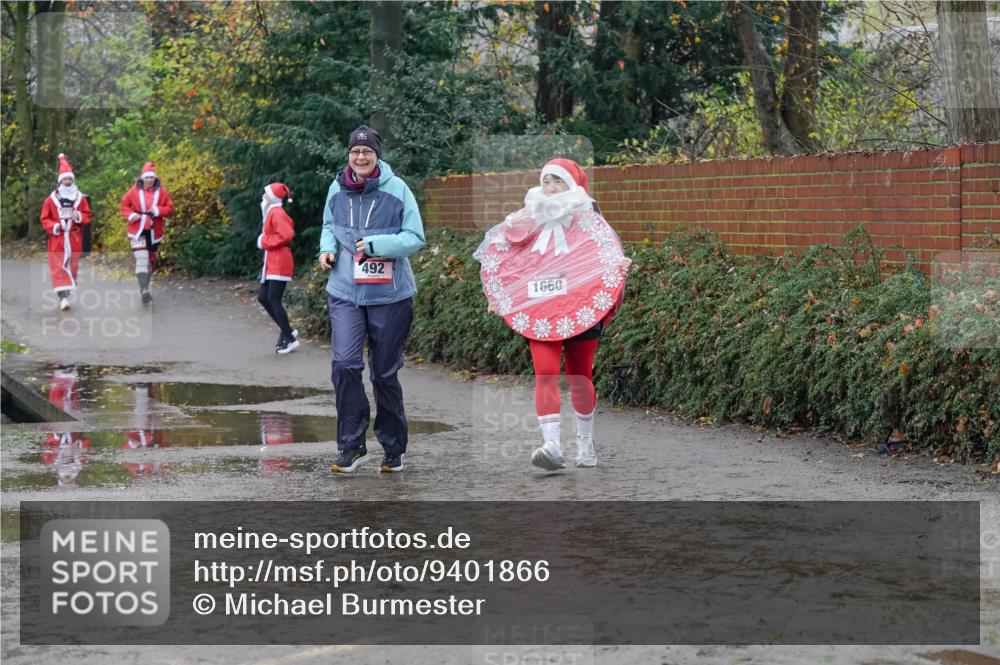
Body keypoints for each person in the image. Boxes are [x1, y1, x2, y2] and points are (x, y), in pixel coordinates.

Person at [475, 159, 631, 471]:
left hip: (582, 309)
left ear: (572, 185)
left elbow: (604, 259)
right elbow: (508, 262)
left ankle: (585, 442)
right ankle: (552, 445)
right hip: (540, 312)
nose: (551, 188)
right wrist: (501, 296)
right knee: (544, 373)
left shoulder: (590, 222)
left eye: (557, 182)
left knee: (579, 376)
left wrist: (619, 267)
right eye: (547, 182)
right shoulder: (524, 221)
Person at [319, 125, 425, 474]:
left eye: (367, 152)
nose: (360, 157)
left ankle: (393, 448)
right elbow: (328, 226)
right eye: (355, 152)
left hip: (390, 295)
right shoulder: (337, 187)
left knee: (384, 374)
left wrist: (379, 245)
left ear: (377, 155)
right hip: (345, 291)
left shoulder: (398, 190)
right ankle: (352, 447)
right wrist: (327, 250)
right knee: (345, 366)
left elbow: (415, 237)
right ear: (348, 155)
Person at [40, 154, 91, 311]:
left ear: (73, 181)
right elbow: (44, 217)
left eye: (70, 180)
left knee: (71, 267)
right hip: (58, 238)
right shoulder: (50, 200)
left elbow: (87, 216)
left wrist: (79, 216)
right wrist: (54, 226)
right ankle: (63, 298)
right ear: (60, 181)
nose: (68, 182)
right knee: (58, 266)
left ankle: (66, 293)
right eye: (65, 180)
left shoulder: (80, 199)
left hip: (74, 238)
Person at [119, 161, 173, 304]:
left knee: (151, 262)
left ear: (155, 178)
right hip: (137, 229)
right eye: (147, 177)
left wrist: (158, 210)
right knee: (141, 259)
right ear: (142, 178)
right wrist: (131, 215)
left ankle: (145, 286)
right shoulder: (133, 191)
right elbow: (124, 205)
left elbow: (170, 208)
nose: (149, 180)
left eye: (151, 177)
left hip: (155, 231)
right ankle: (144, 290)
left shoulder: (162, 191)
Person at [256, 182, 299, 354]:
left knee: (273, 299)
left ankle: (289, 337)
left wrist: (263, 241)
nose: (262, 196)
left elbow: (287, 235)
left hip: (279, 261)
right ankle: (287, 330)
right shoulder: (272, 211)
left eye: (265, 194)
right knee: (263, 297)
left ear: (272, 197)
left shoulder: (277, 212)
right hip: (272, 261)